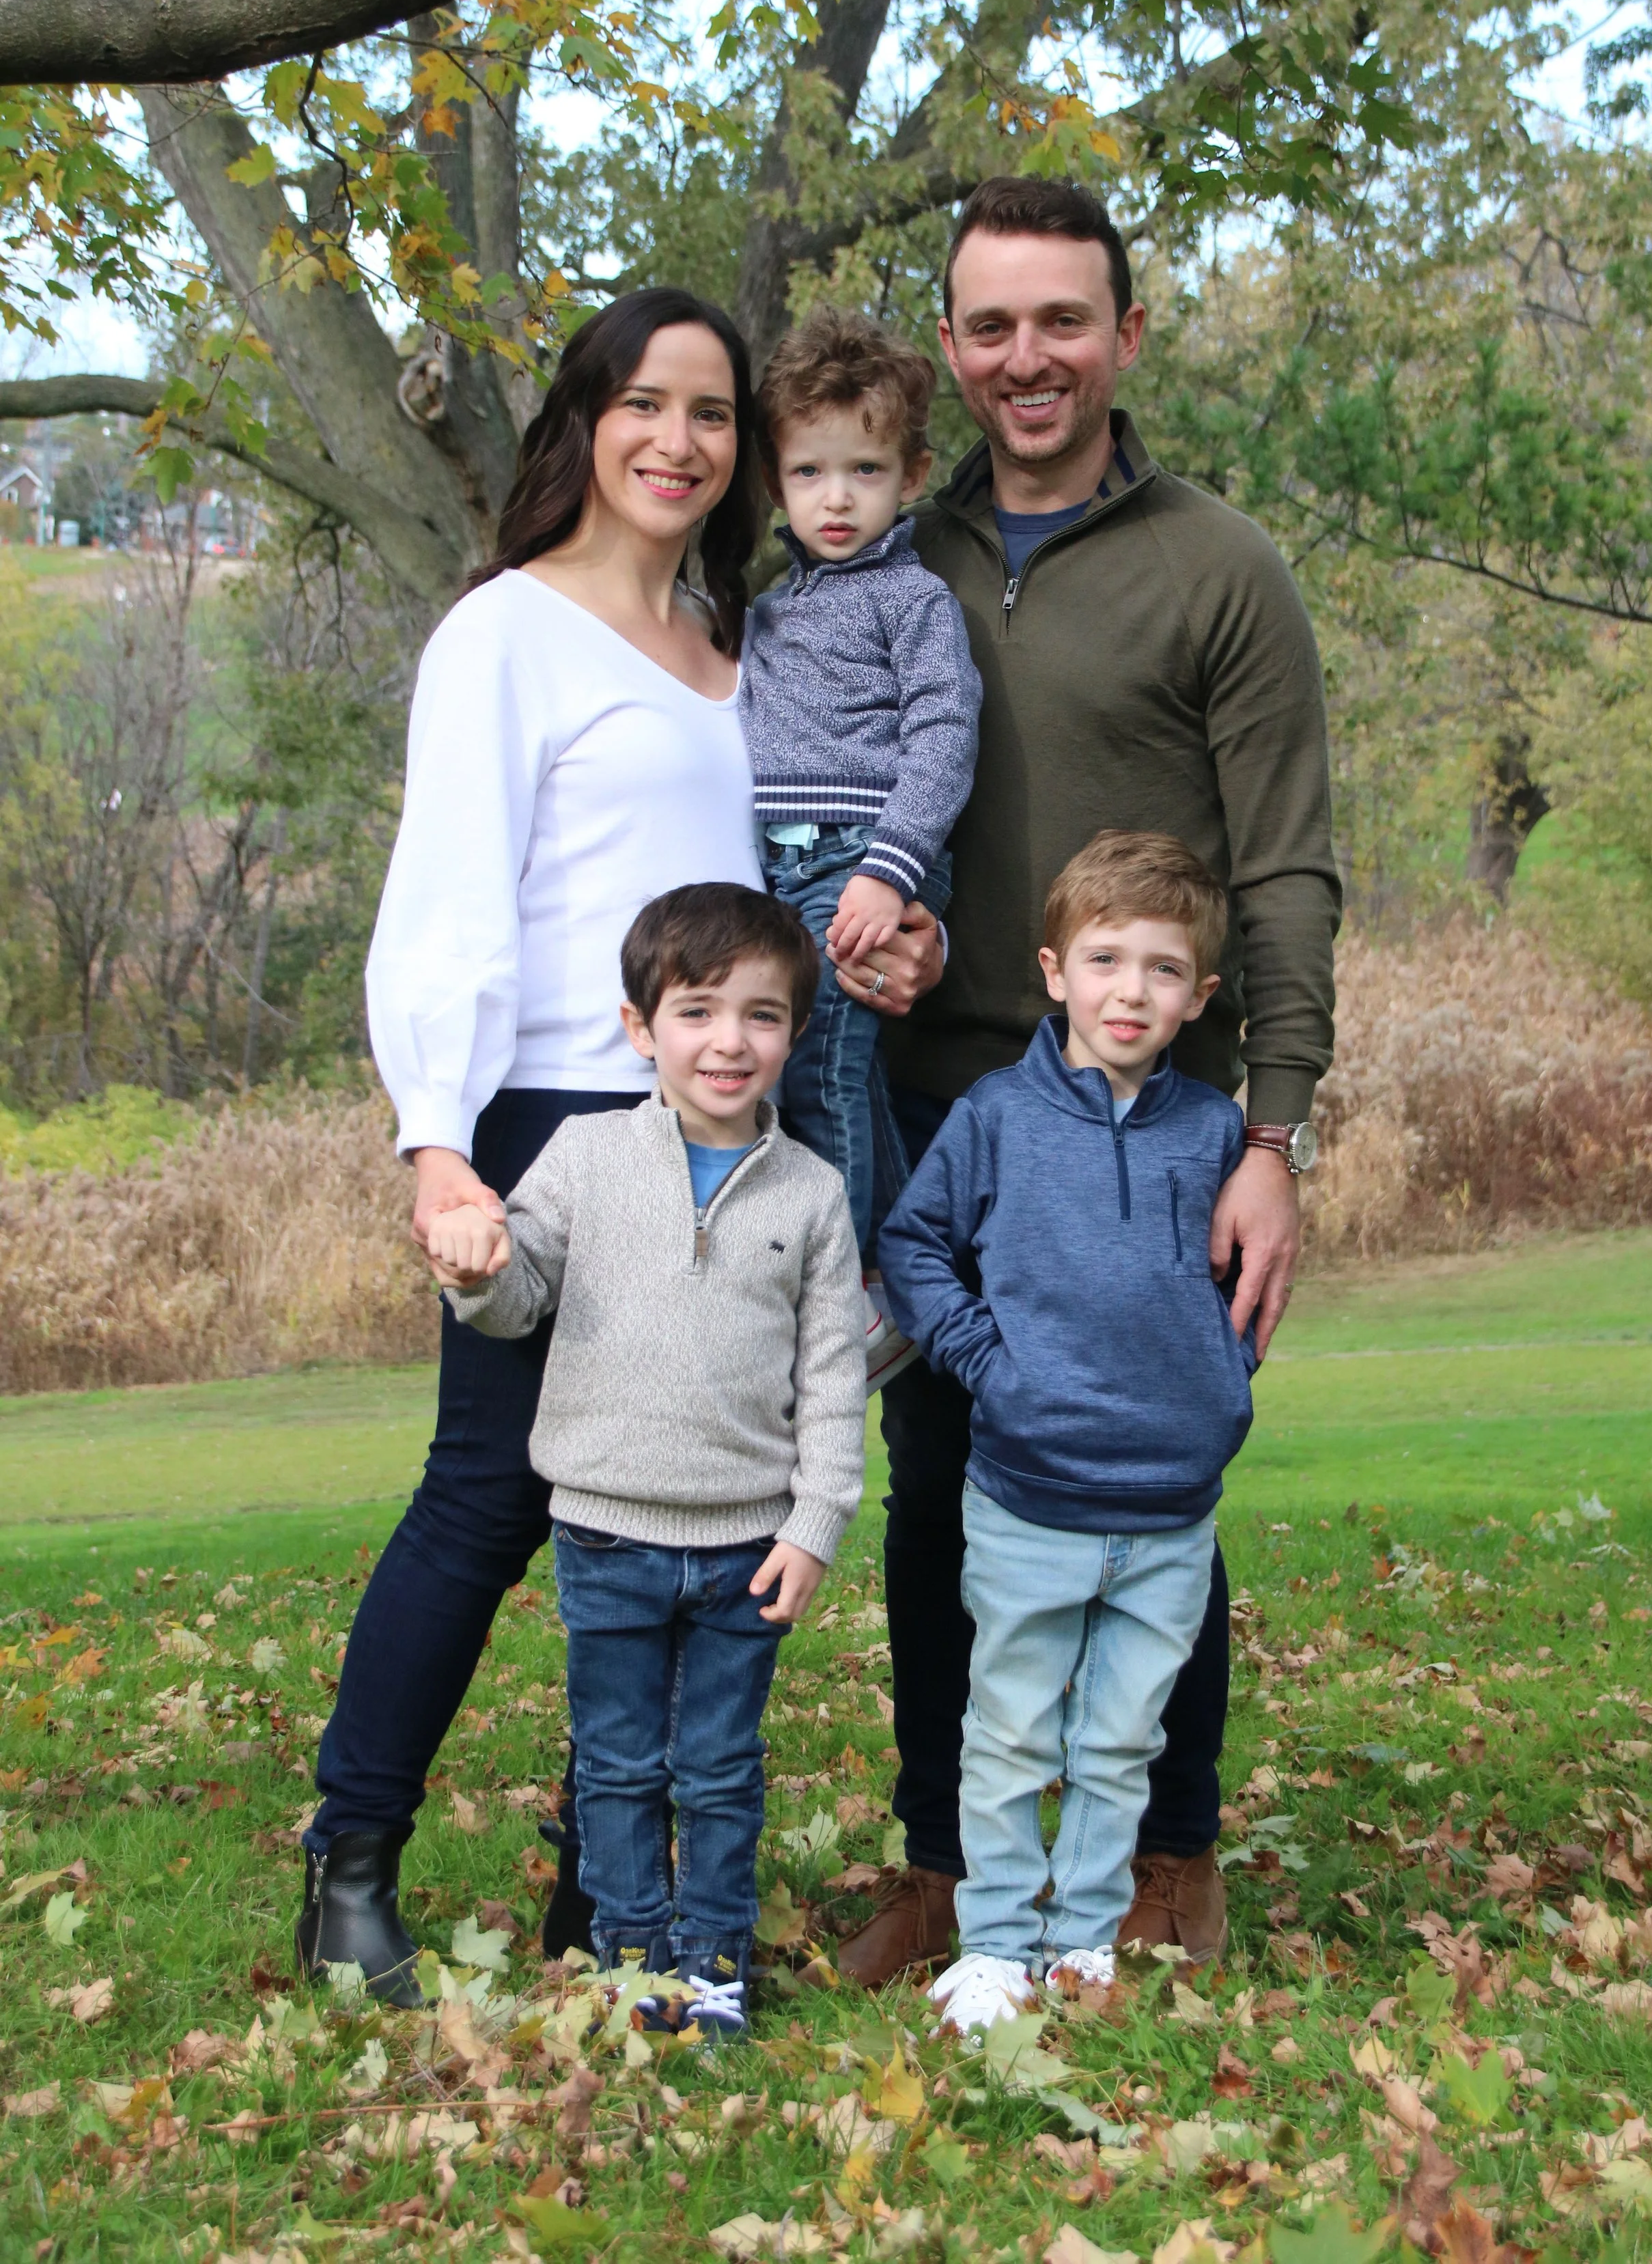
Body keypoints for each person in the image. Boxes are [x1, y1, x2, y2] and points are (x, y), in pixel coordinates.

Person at [291, 285, 924, 2008]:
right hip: (556, 1118)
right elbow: (446, 906)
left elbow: (780, 903)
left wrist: (886, 940)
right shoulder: (508, 630)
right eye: (645, 403)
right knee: (493, 1493)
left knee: (697, 1502)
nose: (679, 440)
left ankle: (609, 1888)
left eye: (713, 415)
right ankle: (350, 1861)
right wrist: (437, 1147)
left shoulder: (749, 649)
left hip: (729, 1128)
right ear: (584, 420)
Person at [841, 176, 1340, 1988]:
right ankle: (942, 1865)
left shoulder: (1219, 566)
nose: (1024, 356)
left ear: (1125, 334)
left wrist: (1271, 1130)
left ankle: (1163, 1854)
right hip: (944, 1102)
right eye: (989, 325)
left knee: (1149, 1472)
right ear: (952, 345)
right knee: (940, 1483)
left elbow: (1283, 863)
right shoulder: (892, 558)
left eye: (1062, 319)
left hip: (1164, 1127)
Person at [428, 883, 867, 2040]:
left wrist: (815, 1521)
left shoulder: (814, 1194)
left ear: (794, 1033)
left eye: (763, 1016)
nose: (730, 1040)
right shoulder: (583, 1156)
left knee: (720, 1768)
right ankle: (633, 1959)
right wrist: (473, 1269)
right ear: (642, 1028)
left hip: (746, 1547)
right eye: (699, 1011)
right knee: (617, 1767)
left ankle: (714, 1960)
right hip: (608, 1532)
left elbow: (832, 1377)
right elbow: (516, 1295)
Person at [878, 833, 1257, 2036]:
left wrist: (1217, 1385)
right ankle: (995, 1942)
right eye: (1105, 959)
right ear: (1054, 971)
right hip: (1030, 1493)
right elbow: (913, 1247)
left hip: (1167, 1513)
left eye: (1162, 969)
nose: (1130, 990)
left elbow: (1245, 1281)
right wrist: (992, 1363)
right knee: (1009, 1728)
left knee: (1119, 1736)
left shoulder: (1212, 1134)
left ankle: (1085, 1934)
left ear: (1200, 996)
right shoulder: (997, 1116)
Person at [741, 307, 981, 1273]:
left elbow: (944, 738)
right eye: (809, 472)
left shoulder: (913, 599)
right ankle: (897, 1256)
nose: (835, 498)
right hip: (777, 870)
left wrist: (891, 871)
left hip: (862, 862)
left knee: (821, 1077)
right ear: (775, 482)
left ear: (912, 475)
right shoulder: (765, 611)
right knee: (834, 1074)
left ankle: (844, 1288)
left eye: (865, 471)